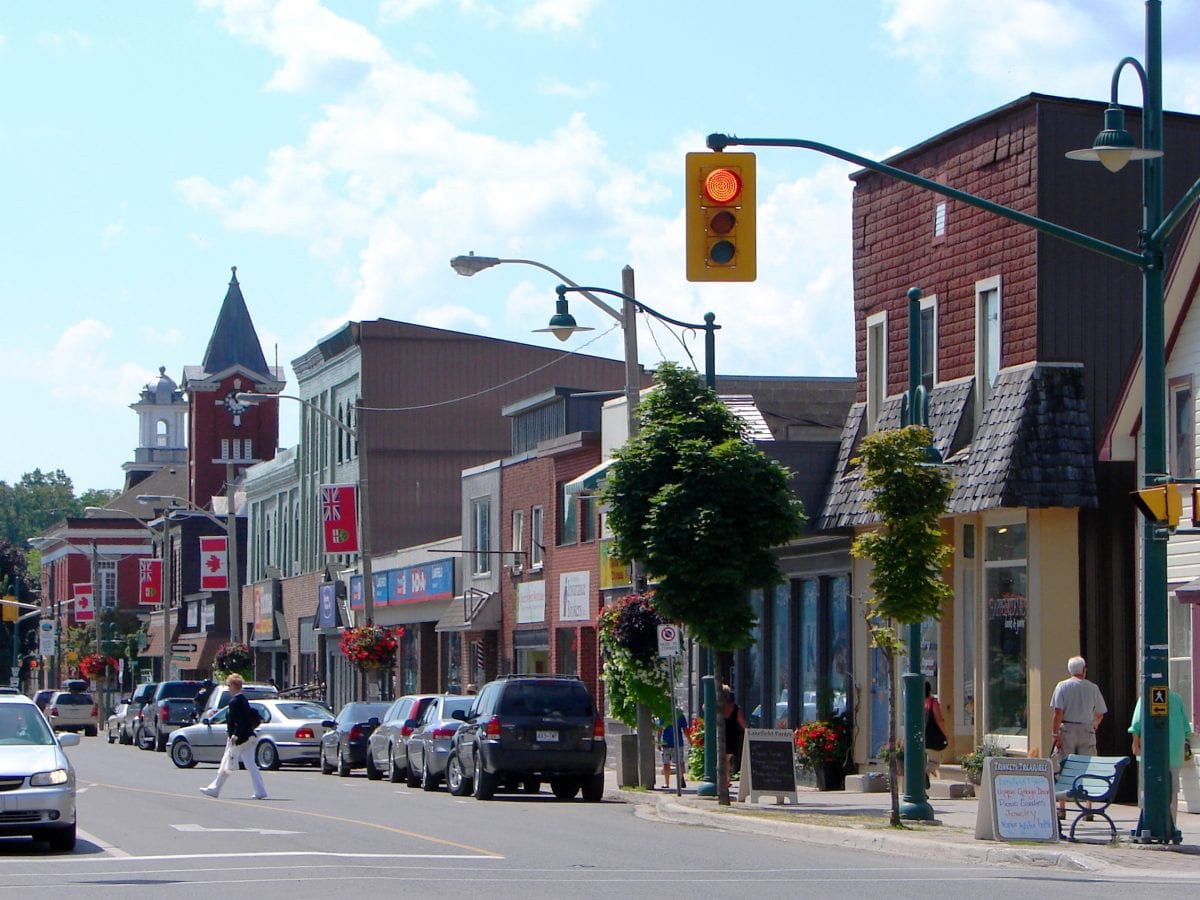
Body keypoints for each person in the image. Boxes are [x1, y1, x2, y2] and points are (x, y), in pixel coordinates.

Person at [1050, 655, 1107, 820]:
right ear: (1084, 670)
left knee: (1064, 766)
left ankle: (1062, 807)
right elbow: (1100, 712)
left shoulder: (1062, 686)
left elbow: (1058, 712)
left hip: (1067, 729)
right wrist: (1094, 724)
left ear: (1070, 670)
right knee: (1087, 768)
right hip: (1086, 729)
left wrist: (1055, 733)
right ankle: (1088, 808)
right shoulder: (1093, 688)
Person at [1128, 687, 1192, 826]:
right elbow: (1186, 728)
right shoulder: (1176, 698)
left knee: (1148, 787)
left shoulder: (1145, 697)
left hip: (1151, 751)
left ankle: (1149, 822)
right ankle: (1171, 824)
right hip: (1174, 750)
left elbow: (1136, 724)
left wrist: (1135, 744)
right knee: (1172, 790)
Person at [200, 673, 267, 800]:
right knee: (251, 765)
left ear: (233, 685)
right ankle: (260, 790)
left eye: (229, 685)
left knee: (227, 762)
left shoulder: (234, 702)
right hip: (249, 737)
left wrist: (235, 735)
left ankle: (215, 789)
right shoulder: (243, 700)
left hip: (238, 739)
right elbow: (246, 719)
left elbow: (239, 721)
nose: (228, 688)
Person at [721, 686, 746, 788]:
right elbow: (742, 723)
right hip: (732, 736)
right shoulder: (735, 708)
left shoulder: (717, 707)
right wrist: (749, 732)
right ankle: (727, 779)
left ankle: (725, 779)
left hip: (721, 735)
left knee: (723, 759)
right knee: (727, 759)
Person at [924, 682, 948, 787]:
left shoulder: (917, 702)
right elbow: (939, 719)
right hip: (932, 736)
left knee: (926, 761)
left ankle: (925, 779)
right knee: (935, 762)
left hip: (921, 736)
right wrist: (945, 733)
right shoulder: (932, 702)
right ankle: (925, 774)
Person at [659, 708, 688, 790]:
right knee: (673, 762)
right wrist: (689, 740)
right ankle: (671, 781)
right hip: (670, 742)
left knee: (671, 762)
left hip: (672, 742)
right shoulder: (667, 714)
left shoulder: (666, 714)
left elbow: (660, 729)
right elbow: (685, 729)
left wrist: (659, 741)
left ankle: (671, 781)